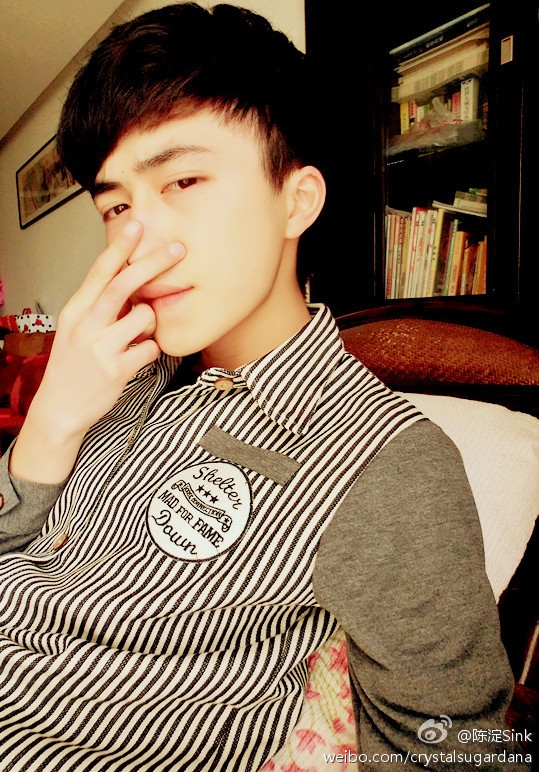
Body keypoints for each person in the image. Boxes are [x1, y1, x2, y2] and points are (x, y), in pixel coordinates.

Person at [0, 4, 528, 770]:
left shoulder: (384, 463)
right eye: (116, 206)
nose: (139, 241)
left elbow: (457, 749)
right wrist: (50, 423)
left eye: (183, 180)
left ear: (297, 200)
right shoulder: (113, 374)